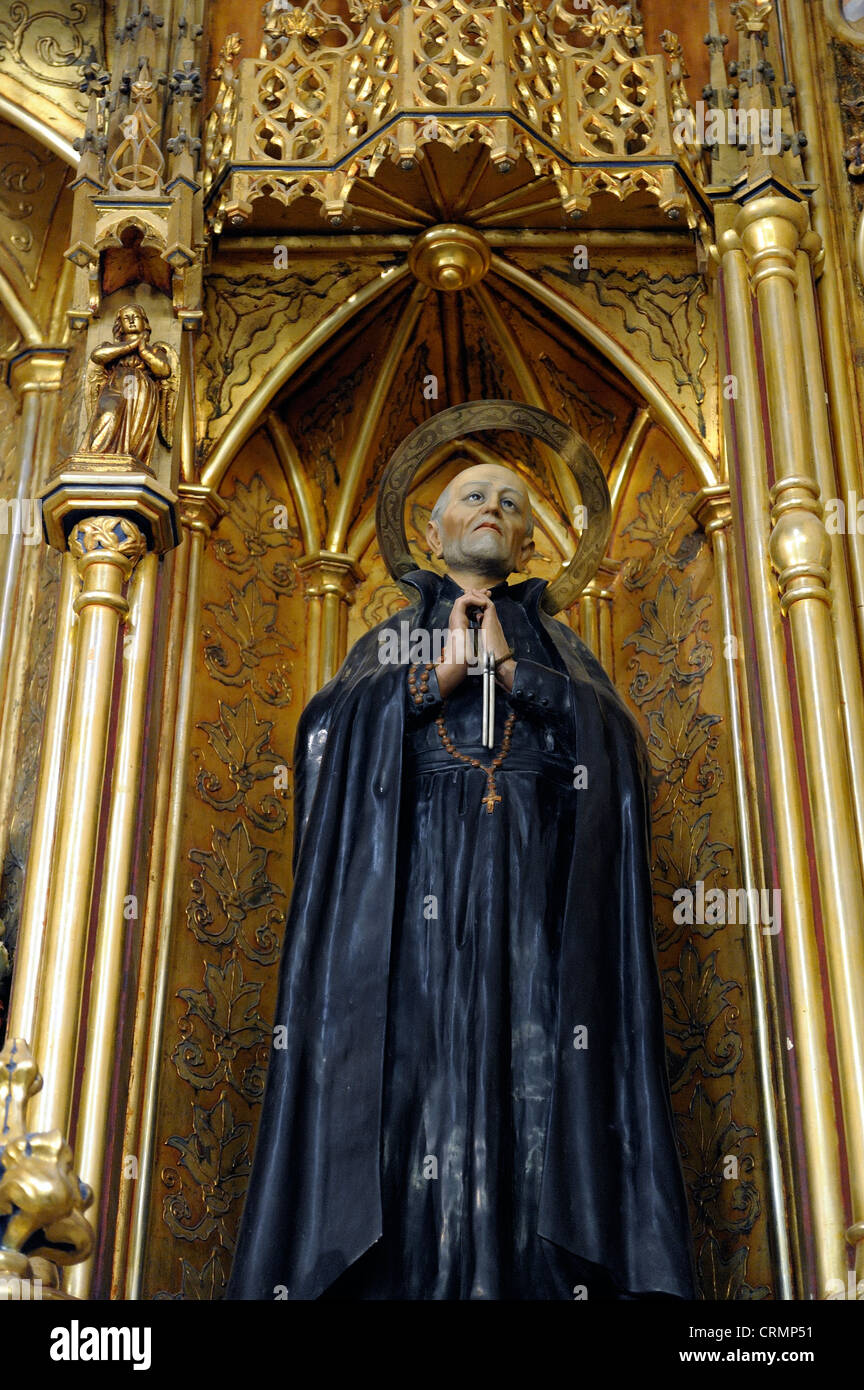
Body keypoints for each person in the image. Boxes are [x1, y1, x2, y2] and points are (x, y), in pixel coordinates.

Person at [227, 461, 695, 1301]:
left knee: (538, 1084)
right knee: (419, 1085)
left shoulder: (557, 647)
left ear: (526, 541)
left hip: (532, 895)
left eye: (512, 504)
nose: (493, 510)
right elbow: (323, 742)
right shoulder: (391, 642)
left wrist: (520, 676)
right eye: (474, 498)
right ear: (434, 532)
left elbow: (614, 755)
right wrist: (429, 679)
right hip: (410, 905)